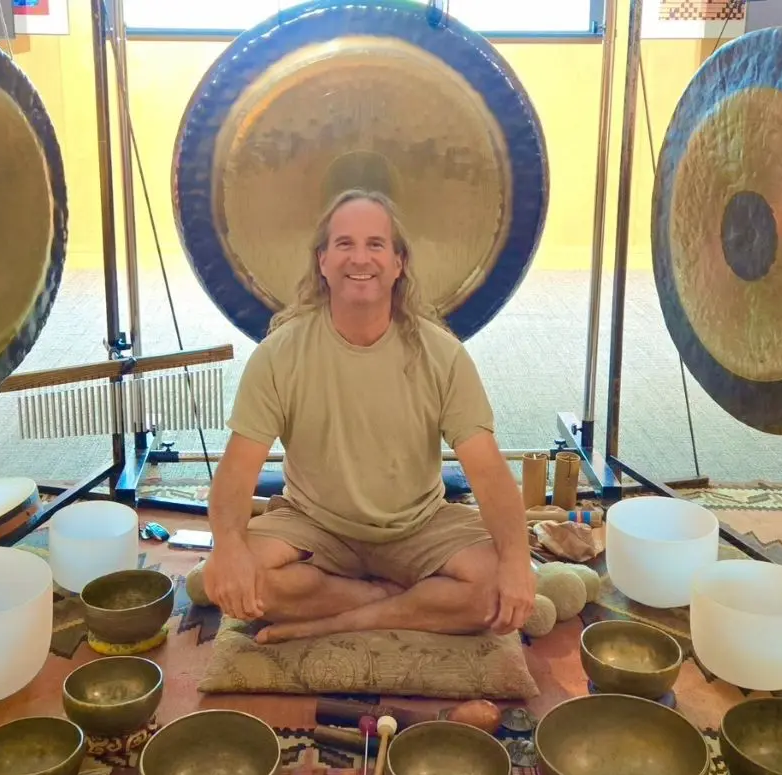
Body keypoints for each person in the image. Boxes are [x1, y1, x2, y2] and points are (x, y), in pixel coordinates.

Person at [203, 188, 535, 644]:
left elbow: (488, 471)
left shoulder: (443, 355)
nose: (360, 258)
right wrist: (228, 549)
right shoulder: (278, 355)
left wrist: (517, 563)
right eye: (345, 244)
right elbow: (237, 473)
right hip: (313, 525)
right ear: (322, 261)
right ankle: (405, 601)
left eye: (375, 244)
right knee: (230, 576)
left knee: (496, 584)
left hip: (417, 524)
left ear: (399, 263)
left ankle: (341, 617)